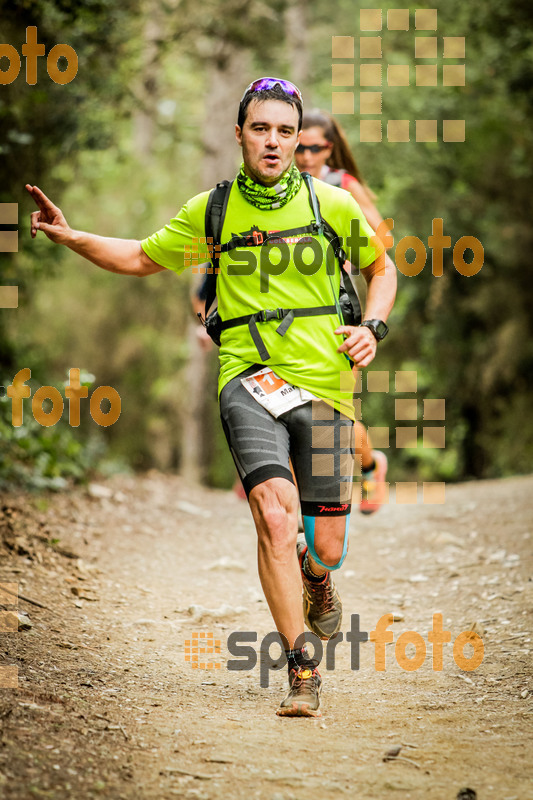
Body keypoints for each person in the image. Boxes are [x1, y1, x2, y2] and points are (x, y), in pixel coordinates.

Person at [26, 77, 397, 717]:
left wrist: (371, 328)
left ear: (297, 138)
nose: (274, 142)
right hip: (247, 379)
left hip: (326, 384)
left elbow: (382, 268)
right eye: (261, 129)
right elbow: (141, 257)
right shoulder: (214, 211)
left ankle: (318, 576)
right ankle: (302, 666)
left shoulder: (332, 205)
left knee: (327, 546)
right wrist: (74, 236)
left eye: (285, 131)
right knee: (274, 516)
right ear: (240, 134)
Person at [295, 109, 390, 515]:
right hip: (296, 319)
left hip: (342, 317)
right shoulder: (282, 187)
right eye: (299, 146)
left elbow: (381, 246)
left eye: (314, 147)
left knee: (332, 410)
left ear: (329, 149)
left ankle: (370, 466)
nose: (305, 155)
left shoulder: (342, 186)